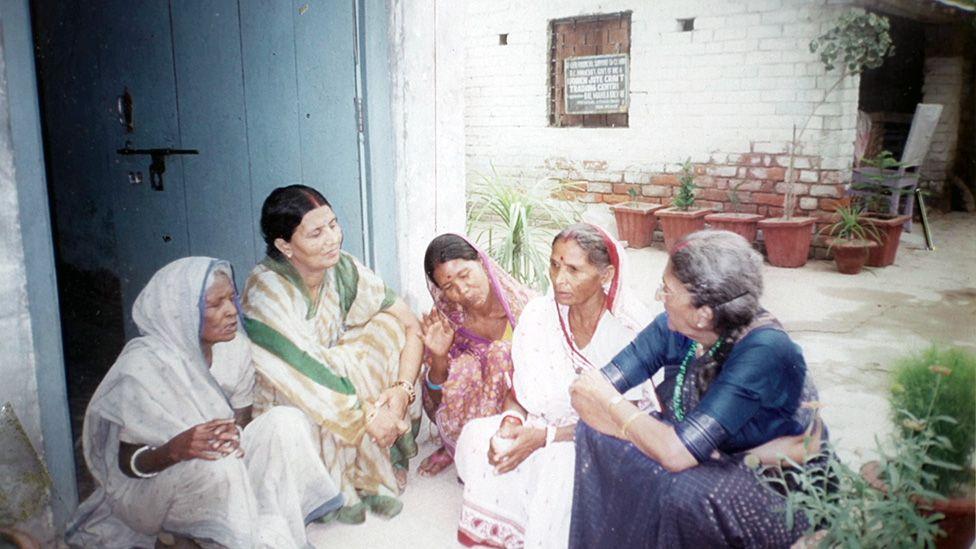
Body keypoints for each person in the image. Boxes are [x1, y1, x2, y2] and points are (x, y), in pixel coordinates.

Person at [569, 230, 826, 548]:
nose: (659, 298)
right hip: (709, 456)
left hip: (778, 480)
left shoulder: (764, 350)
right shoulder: (672, 327)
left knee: (684, 488)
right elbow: (583, 392)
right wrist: (657, 439)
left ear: (704, 314)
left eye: (667, 291)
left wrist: (615, 407)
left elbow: (672, 451)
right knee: (594, 434)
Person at [65, 257, 340, 548]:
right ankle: (207, 534)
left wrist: (226, 439)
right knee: (221, 466)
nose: (232, 311)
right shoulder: (146, 363)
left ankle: (261, 528)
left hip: (219, 471)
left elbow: (240, 426)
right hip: (154, 485)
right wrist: (177, 448)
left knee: (286, 421)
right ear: (181, 312)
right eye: (214, 305)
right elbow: (130, 464)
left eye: (231, 298)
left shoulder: (235, 349)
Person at [454, 223, 656, 549]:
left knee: (559, 468)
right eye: (555, 264)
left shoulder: (625, 328)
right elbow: (520, 393)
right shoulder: (539, 316)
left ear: (605, 276)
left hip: (603, 437)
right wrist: (511, 423)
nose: (559, 279)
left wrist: (545, 439)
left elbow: (632, 419)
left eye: (574, 269)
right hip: (542, 423)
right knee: (478, 438)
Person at [242, 185, 423, 524]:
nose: (332, 239)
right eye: (316, 233)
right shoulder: (265, 288)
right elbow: (302, 368)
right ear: (285, 246)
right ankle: (339, 477)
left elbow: (411, 325)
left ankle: (374, 460)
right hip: (290, 399)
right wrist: (370, 416)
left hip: (336, 394)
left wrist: (401, 392)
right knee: (333, 367)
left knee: (386, 328)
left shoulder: (341, 268)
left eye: (333, 225)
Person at [418, 234, 535, 476]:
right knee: (465, 365)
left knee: (501, 353)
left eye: (465, 275)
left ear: (481, 262)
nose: (462, 290)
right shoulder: (450, 322)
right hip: (471, 422)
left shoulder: (525, 309)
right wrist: (438, 358)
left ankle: (505, 447)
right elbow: (437, 402)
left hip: (522, 411)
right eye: (449, 287)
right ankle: (458, 447)